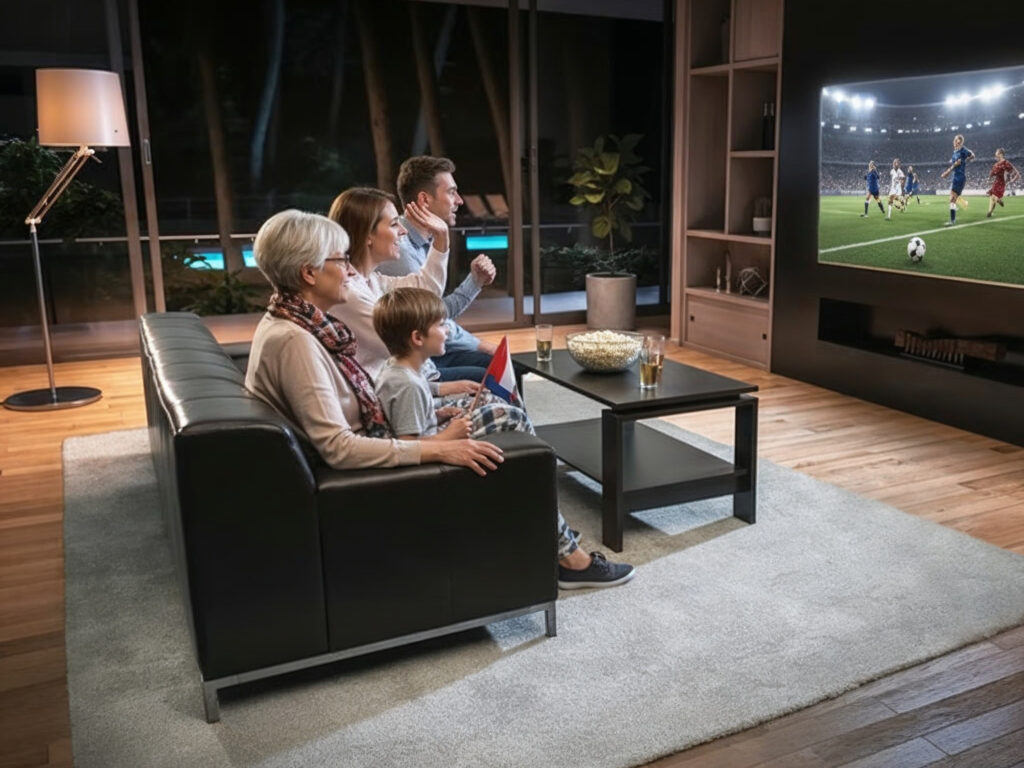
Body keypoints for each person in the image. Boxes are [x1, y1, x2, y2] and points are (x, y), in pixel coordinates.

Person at [372, 285, 636, 590]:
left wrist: (438, 414)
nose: (447, 331)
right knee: (512, 418)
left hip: (436, 436)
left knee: (501, 407)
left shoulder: (401, 371)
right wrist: (449, 435)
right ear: (417, 339)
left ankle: (546, 511)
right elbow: (409, 446)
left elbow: (413, 419)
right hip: (433, 464)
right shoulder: (407, 384)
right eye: (441, 325)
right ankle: (570, 558)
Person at [244, 208, 502, 477]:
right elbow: (339, 448)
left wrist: (435, 414)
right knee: (504, 415)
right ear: (309, 273)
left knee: (487, 401)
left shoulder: (302, 324)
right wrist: (441, 448)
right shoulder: (294, 340)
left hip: (381, 437)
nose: (350, 273)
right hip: (372, 471)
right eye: (342, 261)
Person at [326, 186, 487, 396]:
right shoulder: (351, 293)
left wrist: (441, 239)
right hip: (399, 389)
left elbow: (425, 290)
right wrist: (438, 388)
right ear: (368, 235)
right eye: (394, 225)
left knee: (493, 371)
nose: (402, 231)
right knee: (490, 375)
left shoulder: (371, 281)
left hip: (413, 377)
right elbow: (400, 348)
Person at [377, 156, 498, 380]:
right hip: (413, 363)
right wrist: (480, 344)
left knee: (502, 365)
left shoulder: (424, 243)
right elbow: (432, 316)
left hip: (426, 351)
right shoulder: (400, 251)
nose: (460, 201)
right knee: (493, 370)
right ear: (425, 199)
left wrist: (476, 281)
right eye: (451, 192)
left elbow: (435, 314)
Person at [940, 134, 975, 226]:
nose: (955, 142)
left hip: (959, 177)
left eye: (957, 141)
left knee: (952, 199)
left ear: (961, 142)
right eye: (955, 140)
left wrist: (964, 160)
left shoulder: (963, 150)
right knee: (952, 198)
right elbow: (954, 163)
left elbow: (972, 155)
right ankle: (962, 204)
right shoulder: (955, 152)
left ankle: (952, 220)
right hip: (955, 177)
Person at [985, 148, 1020, 218]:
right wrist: (988, 180)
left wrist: (1012, 180)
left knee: (993, 197)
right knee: (992, 197)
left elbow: (1016, 173)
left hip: (1001, 183)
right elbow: (991, 174)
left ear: (1001, 154)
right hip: (997, 183)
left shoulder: (1005, 163)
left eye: (996, 153)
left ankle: (997, 202)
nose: (995, 154)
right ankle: (990, 212)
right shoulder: (998, 164)